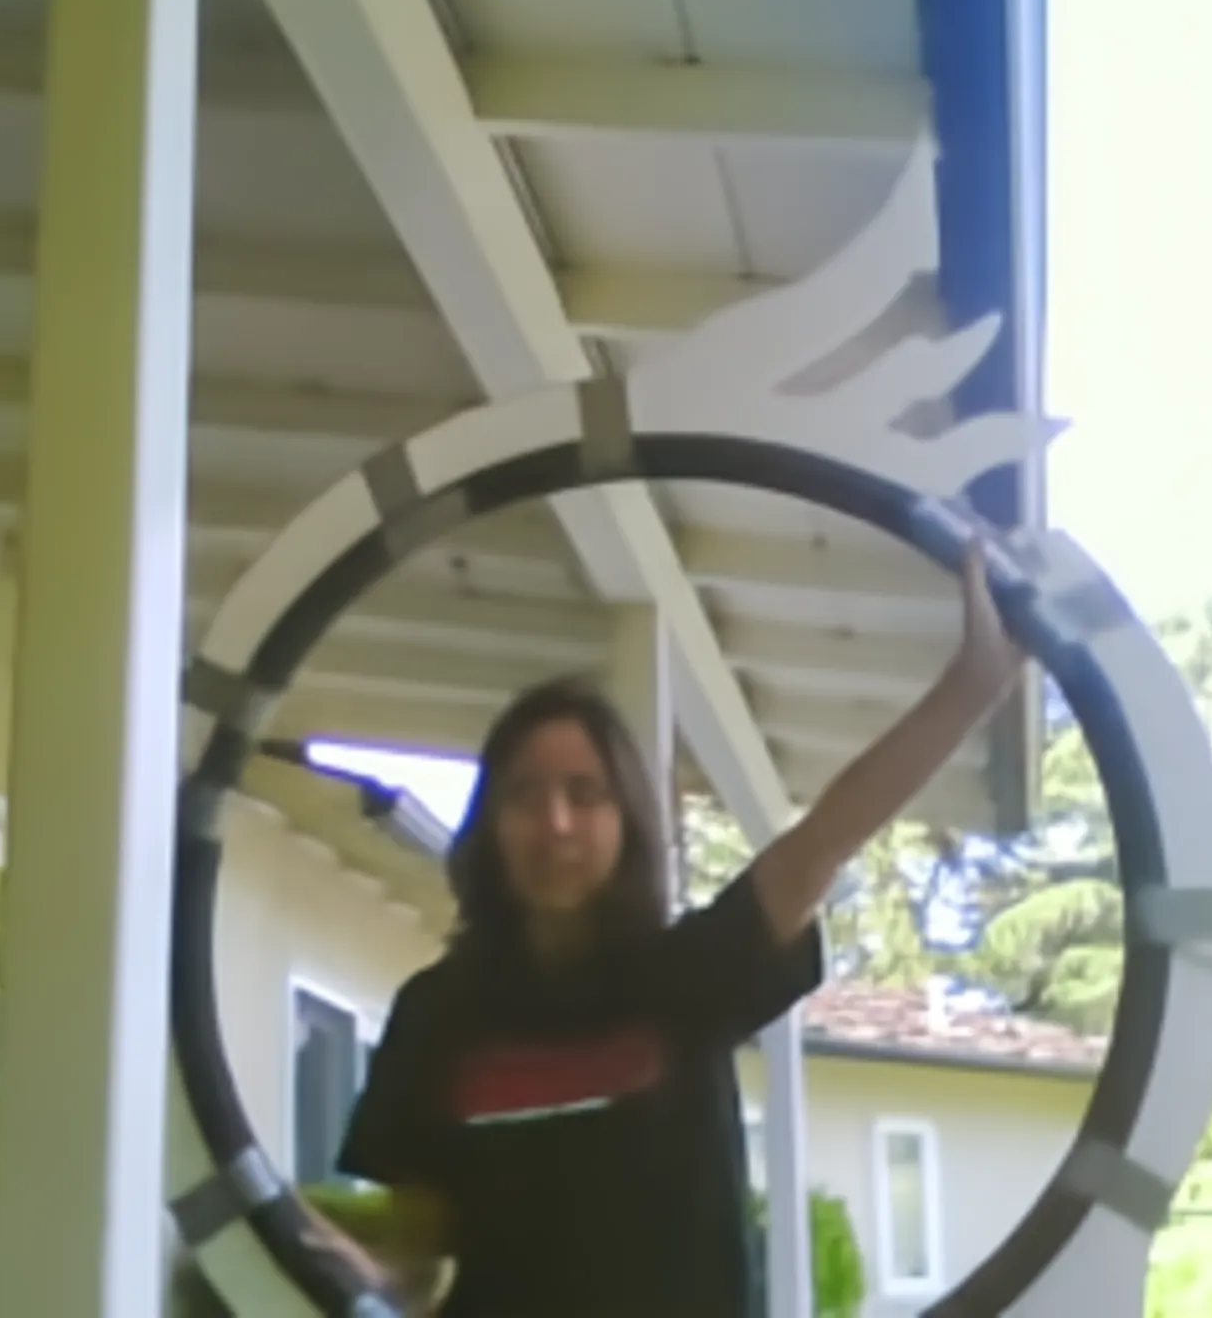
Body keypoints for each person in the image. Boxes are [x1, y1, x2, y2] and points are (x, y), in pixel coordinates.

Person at [312, 544, 1024, 1317]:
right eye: (525, 794)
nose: (556, 822)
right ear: (490, 826)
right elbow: (420, 1252)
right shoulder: (435, 1013)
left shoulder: (686, 977)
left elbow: (824, 839)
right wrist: (360, 1269)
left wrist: (972, 686)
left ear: (628, 825)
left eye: (585, 793)